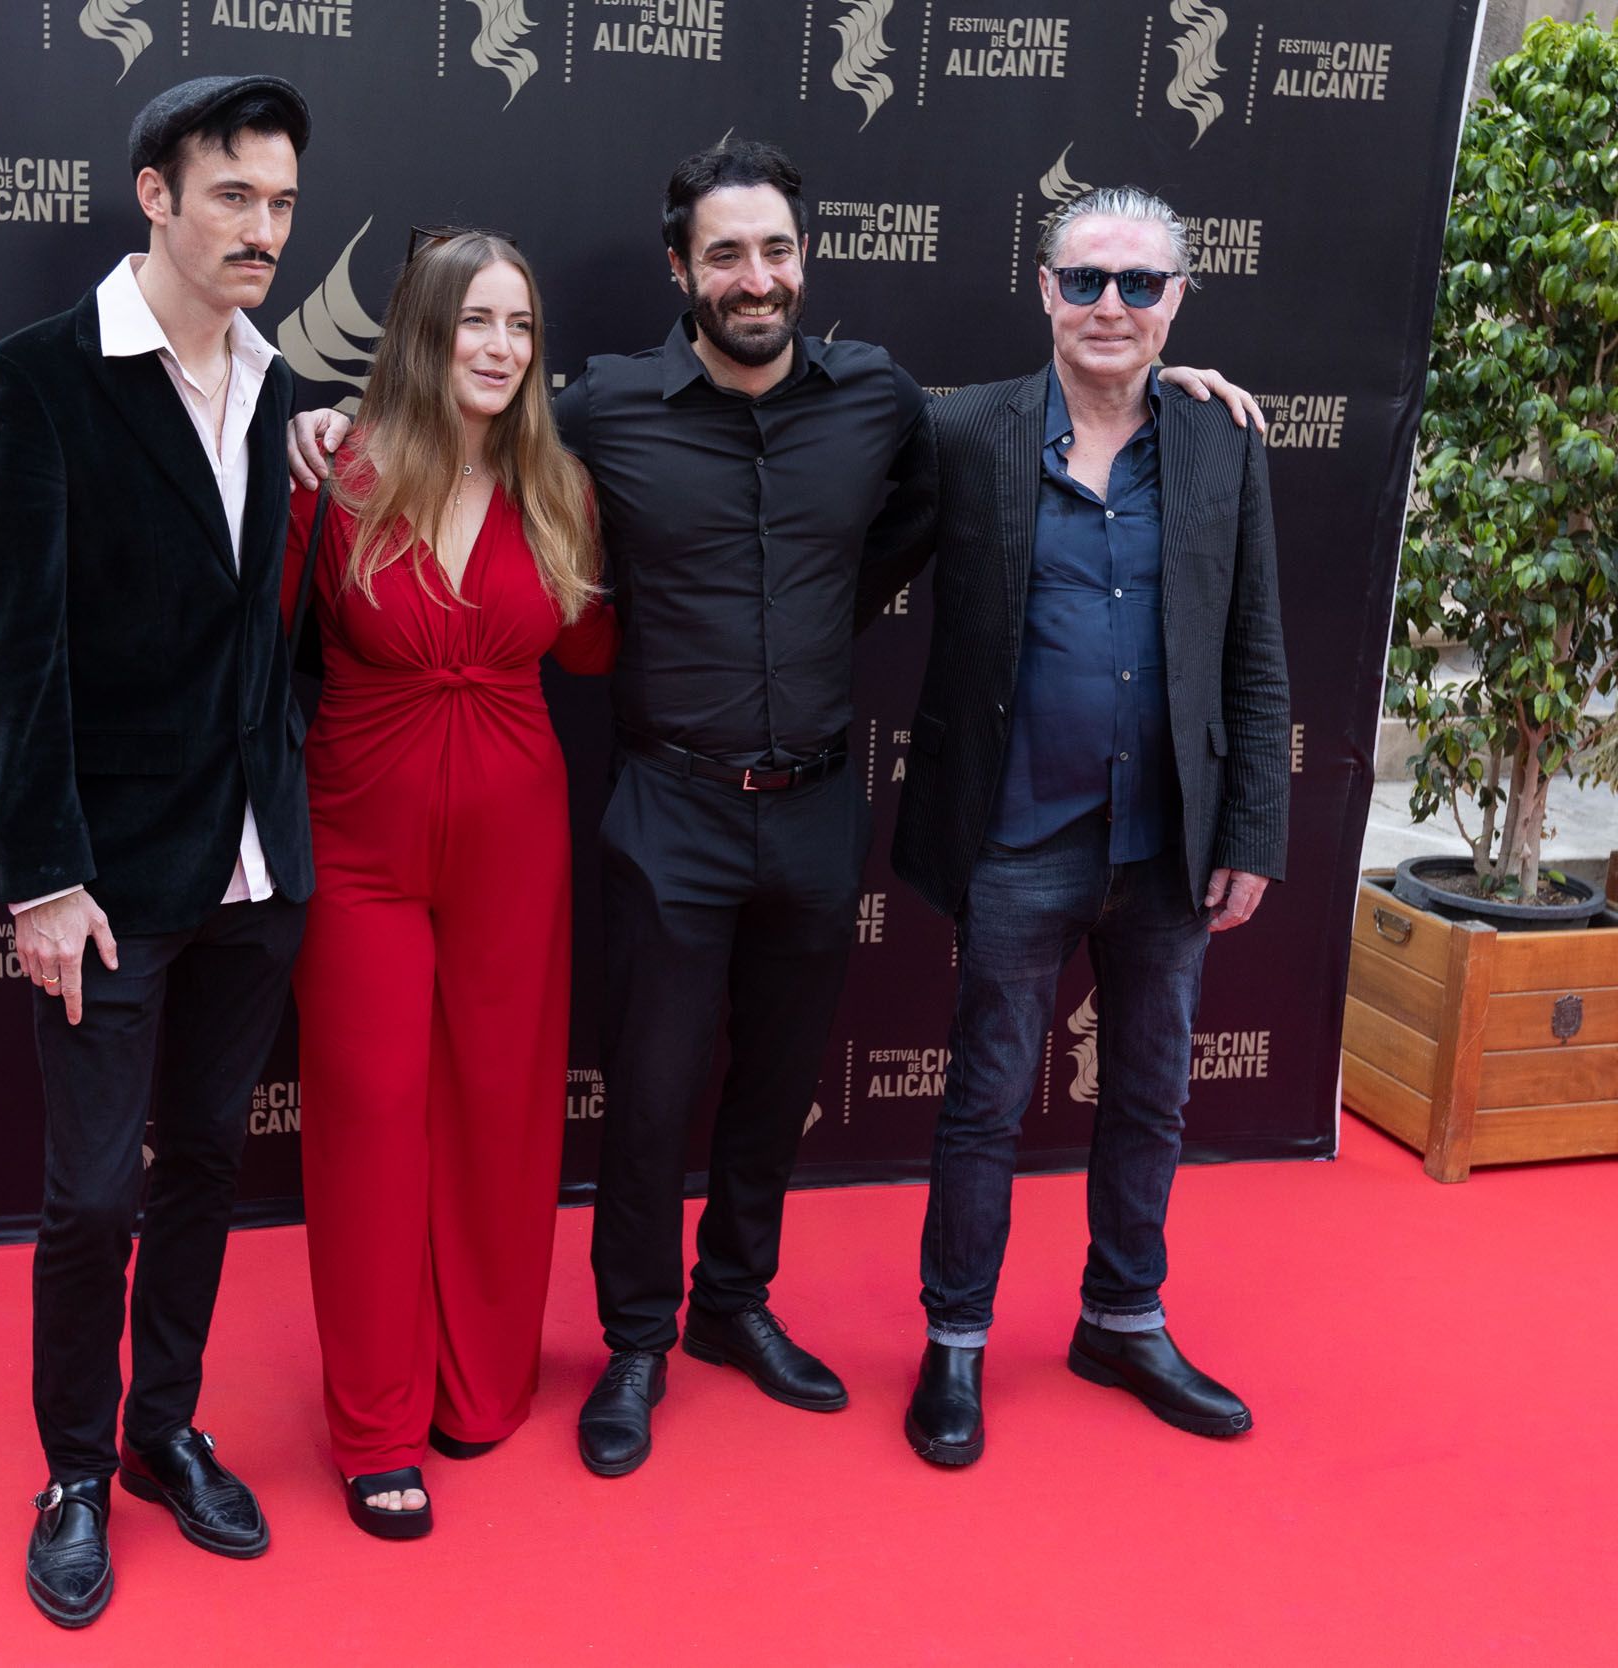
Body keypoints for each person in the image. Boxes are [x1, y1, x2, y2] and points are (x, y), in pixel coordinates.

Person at [289, 139, 1258, 1480]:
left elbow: (1032, 418)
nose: (758, 277)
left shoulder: (882, 402)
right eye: (728, 253)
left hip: (813, 805)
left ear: (807, 263)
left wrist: (1168, 383)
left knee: (777, 1085)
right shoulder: (606, 409)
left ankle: (735, 1304)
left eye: (779, 250)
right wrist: (327, 419)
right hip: (664, 805)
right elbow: (459, 420)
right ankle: (636, 1339)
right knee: (649, 1092)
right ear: (682, 269)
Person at [0, 76, 314, 1626]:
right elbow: (4, 657)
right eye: (233, 196)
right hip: (101, 880)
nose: (264, 231)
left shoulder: (286, 386)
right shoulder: (37, 382)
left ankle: (167, 1429)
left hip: (252, 866)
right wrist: (41, 874)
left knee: (210, 1166)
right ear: (154, 197)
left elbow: (269, 631)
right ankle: (77, 1475)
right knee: (94, 1190)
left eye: (284, 204)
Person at [872, 185, 1290, 1468]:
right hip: (1016, 835)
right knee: (985, 1100)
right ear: (1044, 289)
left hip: (1168, 841)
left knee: (1152, 1096)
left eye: (1142, 285)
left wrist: (1257, 828)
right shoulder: (967, 433)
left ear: (1178, 302)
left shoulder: (1222, 443)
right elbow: (844, 558)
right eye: (1088, 280)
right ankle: (955, 1344)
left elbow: (1255, 650)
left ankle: (1121, 1316)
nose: (1113, 304)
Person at [282, 230, 614, 1538]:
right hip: (358, 844)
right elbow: (256, 651)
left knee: (500, 1108)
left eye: (521, 327)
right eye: (476, 321)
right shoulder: (333, 476)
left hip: (516, 842)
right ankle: (374, 1428)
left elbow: (590, 651)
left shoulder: (561, 487)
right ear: (422, 330)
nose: (500, 348)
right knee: (366, 1118)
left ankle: (482, 1386)